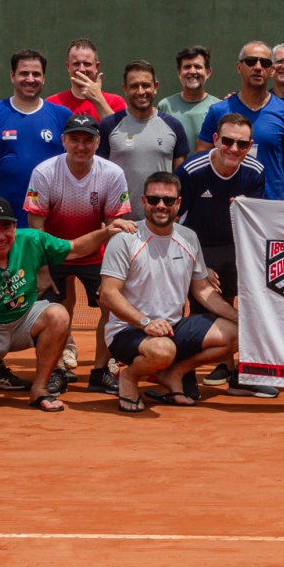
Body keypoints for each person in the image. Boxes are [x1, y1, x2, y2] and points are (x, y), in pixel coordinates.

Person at [0, 196, 132, 417]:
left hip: (23, 319)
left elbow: (75, 248)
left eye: (6, 227)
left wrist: (106, 232)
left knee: (58, 315)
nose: (0, 236)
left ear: (15, 227)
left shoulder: (31, 241)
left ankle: (39, 389)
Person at [99, 172, 241, 413]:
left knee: (236, 333)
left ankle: (175, 373)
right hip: (128, 330)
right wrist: (146, 323)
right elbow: (108, 294)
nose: (161, 206)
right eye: (154, 200)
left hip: (173, 327)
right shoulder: (125, 239)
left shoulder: (189, 237)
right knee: (163, 350)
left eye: (168, 200)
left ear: (178, 203)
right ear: (143, 202)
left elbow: (203, 290)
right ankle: (129, 378)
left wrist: (241, 319)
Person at [25, 113, 135, 395]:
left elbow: (115, 225)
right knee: (54, 311)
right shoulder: (45, 172)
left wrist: (114, 273)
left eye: (88, 140)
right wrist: (43, 268)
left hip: (96, 253)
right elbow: (36, 224)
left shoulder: (112, 173)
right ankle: (57, 370)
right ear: (64, 141)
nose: (81, 146)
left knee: (111, 307)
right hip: (54, 252)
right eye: (75, 139)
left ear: (98, 142)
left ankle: (101, 370)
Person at [176, 112, 277, 397]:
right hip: (196, 246)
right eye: (228, 142)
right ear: (216, 140)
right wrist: (199, 266)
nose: (234, 149)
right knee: (197, 313)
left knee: (241, 304)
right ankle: (185, 375)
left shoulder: (255, 171)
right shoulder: (191, 171)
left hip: (236, 246)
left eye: (242, 144)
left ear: (250, 145)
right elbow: (176, 222)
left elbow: (254, 220)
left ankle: (238, 373)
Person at [195, 41, 284, 200]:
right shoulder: (218, 111)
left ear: (271, 70)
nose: (258, 67)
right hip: (225, 203)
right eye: (251, 61)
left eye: (265, 63)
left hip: (270, 207)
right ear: (239, 67)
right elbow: (201, 159)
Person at [0, 49, 70, 227]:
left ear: (44, 78)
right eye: (24, 73)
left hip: (50, 223)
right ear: (12, 75)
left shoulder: (62, 116)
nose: (30, 79)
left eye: (36, 74)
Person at [98, 60, 190, 218]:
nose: (141, 91)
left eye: (146, 85)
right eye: (134, 86)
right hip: (119, 222)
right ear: (125, 89)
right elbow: (98, 176)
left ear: (156, 87)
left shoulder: (173, 126)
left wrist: (175, 217)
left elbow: (180, 180)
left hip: (161, 221)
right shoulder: (109, 125)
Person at [47, 38, 126, 121]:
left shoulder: (115, 102)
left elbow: (120, 132)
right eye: (76, 64)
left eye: (87, 64)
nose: (81, 69)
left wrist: (98, 100)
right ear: (68, 67)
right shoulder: (52, 104)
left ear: (96, 67)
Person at [158, 44, 218, 140]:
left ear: (208, 72)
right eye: (187, 67)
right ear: (179, 73)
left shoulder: (217, 107)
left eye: (198, 67)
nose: (192, 71)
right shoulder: (165, 106)